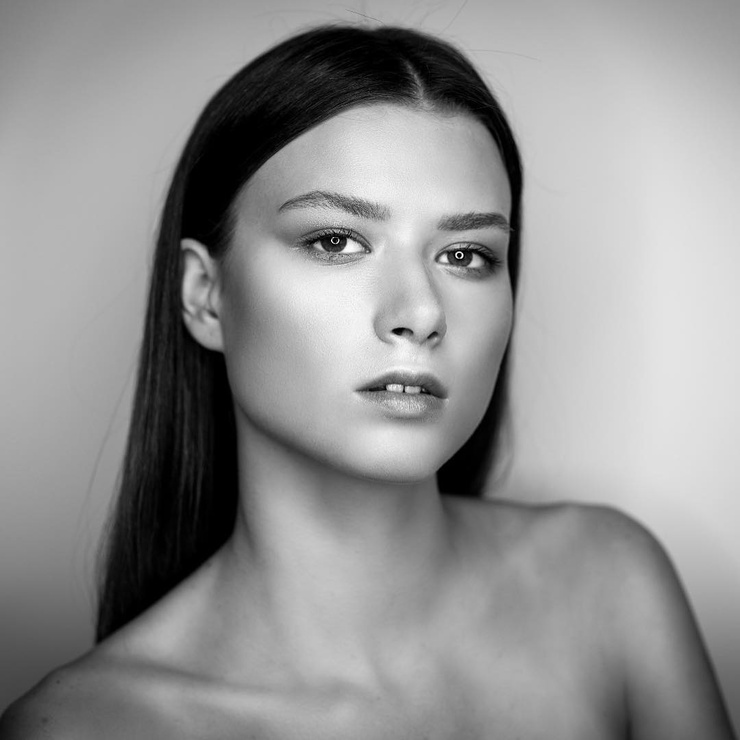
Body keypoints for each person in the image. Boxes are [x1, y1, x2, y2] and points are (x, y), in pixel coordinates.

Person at [0, 22, 735, 740]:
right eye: (336, 241)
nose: (421, 313)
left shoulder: (609, 586)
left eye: (467, 255)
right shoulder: (83, 726)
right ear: (205, 296)